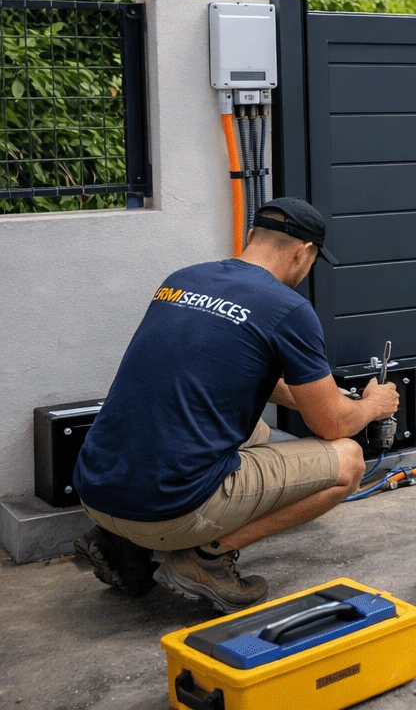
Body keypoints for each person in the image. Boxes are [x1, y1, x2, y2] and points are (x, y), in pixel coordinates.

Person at [71, 197, 398, 612]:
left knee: (253, 430)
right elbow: (333, 426)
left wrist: (325, 398)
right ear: (304, 252)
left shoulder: (183, 279)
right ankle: (205, 557)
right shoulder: (288, 309)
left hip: (96, 491)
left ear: (250, 237)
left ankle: (119, 541)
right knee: (348, 461)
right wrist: (371, 404)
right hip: (170, 512)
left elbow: (240, 377)